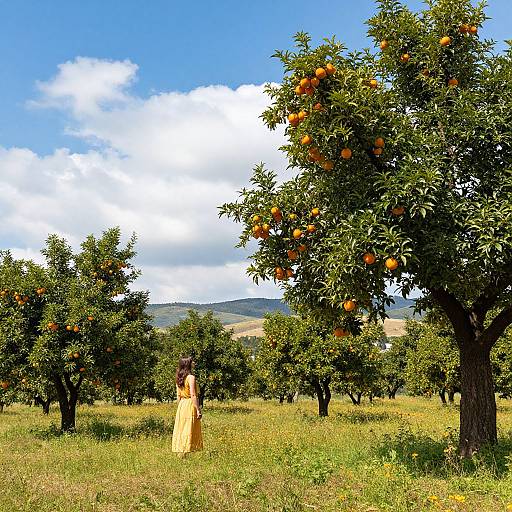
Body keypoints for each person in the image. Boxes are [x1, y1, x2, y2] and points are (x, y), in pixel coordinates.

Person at [171, 356, 203, 456]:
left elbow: (178, 396)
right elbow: (193, 395)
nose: (194, 363)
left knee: (182, 428)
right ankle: (186, 450)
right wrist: (198, 409)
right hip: (189, 404)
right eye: (192, 361)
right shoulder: (191, 378)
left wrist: (180, 408)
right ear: (188, 364)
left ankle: (181, 451)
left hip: (182, 405)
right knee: (189, 428)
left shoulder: (178, 377)